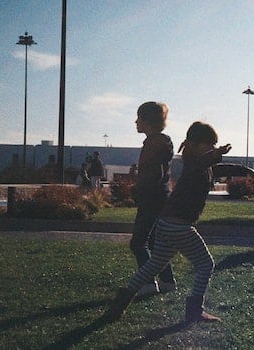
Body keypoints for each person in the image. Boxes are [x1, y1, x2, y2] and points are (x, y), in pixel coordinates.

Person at [103, 121, 231, 324]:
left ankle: (121, 302)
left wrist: (248, 171)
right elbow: (205, 162)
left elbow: (220, 165)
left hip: (165, 224)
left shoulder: (200, 165)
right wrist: (215, 155)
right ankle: (194, 311)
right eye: (209, 144)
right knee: (206, 264)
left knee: (153, 265)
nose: (213, 149)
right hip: (178, 226)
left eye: (214, 145)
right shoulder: (194, 163)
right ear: (195, 144)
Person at [130, 101, 176, 297]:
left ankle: (148, 283)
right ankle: (167, 281)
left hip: (151, 198)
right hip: (162, 197)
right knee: (155, 243)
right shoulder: (163, 141)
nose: (135, 121)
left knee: (138, 243)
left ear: (148, 121)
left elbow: (154, 174)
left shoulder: (152, 143)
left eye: (139, 118)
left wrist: (140, 190)